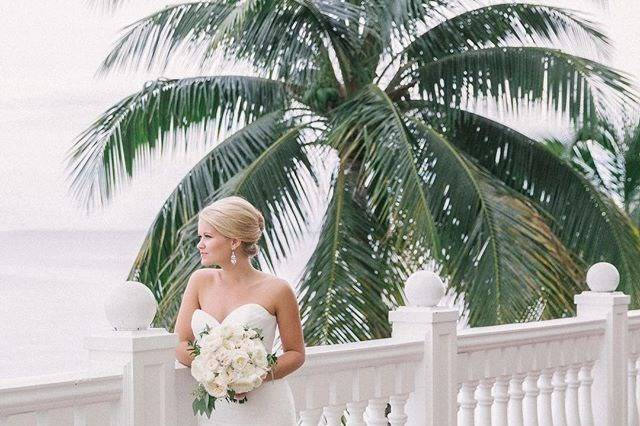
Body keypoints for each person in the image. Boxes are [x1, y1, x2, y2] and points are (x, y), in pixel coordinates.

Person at [174, 196, 305, 425]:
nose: (200, 244)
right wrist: (215, 370)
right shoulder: (199, 281)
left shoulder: (278, 290)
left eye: (207, 236)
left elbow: (295, 353)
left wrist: (251, 376)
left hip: (267, 407)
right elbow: (181, 342)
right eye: (200, 236)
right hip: (218, 410)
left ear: (234, 242)